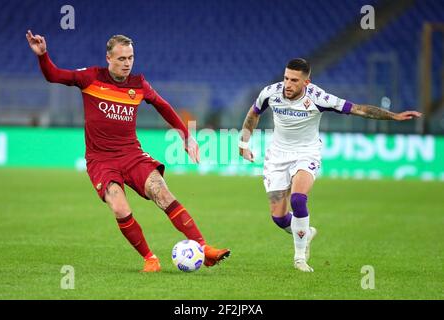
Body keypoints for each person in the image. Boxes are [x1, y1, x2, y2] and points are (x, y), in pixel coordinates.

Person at [26, 30, 230, 272]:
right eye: (121, 59)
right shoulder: (91, 77)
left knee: (162, 193)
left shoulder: (138, 84)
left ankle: (203, 248)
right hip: (101, 160)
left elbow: (163, 106)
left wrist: (185, 135)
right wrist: (43, 55)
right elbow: (54, 75)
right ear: (108, 58)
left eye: (131, 58)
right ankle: (149, 258)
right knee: (120, 207)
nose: (127, 64)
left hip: (132, 154)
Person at [239, 58, 421, 272]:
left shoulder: (318, 97)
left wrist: (394, 116)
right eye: (286, 78)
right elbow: (253, 114)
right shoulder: (271, 93)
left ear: (306, 82)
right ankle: (307, 231)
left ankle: (299, 258)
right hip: (277, 156)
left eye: (294, 80)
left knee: (298, 199)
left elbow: (358, 109)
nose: (288, 84)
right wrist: (243, 142)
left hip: (307, 153)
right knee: (279, 218)